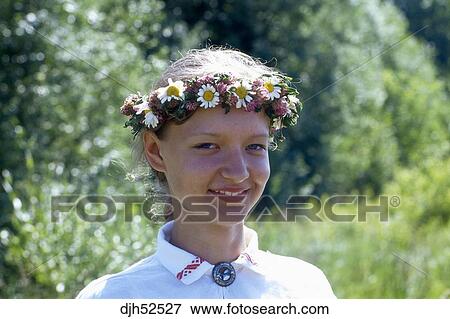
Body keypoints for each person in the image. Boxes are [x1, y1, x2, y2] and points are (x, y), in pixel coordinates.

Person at [76, 47, 336, 299]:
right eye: (208, 146)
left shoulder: (305, 289)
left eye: (255, 146)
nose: (237, 172)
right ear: (156, 151)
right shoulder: (114, 298)